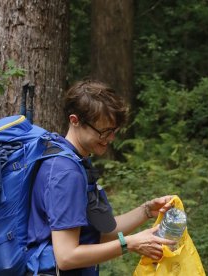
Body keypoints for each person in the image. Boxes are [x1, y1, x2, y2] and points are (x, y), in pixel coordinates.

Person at [27, 79, 176, 275]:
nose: (111, 138)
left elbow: (98, 235)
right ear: (75, 120)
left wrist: (147, 210)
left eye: (113, 131)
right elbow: (66, 256)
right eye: (104, 131)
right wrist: (129, 244)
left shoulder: (74, 162)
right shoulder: (66, 173)